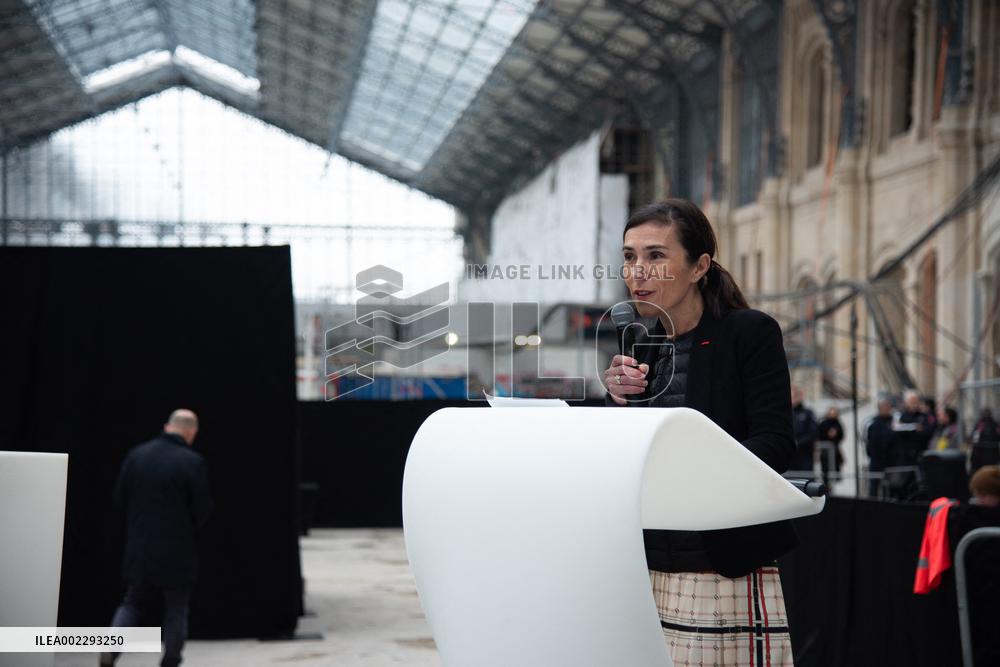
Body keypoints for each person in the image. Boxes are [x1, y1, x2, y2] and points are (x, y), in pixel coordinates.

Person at [604, 199, 796, 666]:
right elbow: (631, 458)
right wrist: (615, 403)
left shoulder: (746, 333)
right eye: (629, 257)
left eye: (656, 256)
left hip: (721, 565)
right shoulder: (640, 345)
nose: (638, 272)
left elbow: (774, 443)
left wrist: (696, 484)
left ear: (699, 266)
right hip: (648, 564)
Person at [100, 409, 213, 667]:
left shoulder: (137, 455)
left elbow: (120, 499)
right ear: (192, 432)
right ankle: (170, 661)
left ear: (167, 427)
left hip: (140, 546)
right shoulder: (192, 462)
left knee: (132, 603)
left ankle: (110, 650)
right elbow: (202, 509)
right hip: (178, 549)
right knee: (176, 609)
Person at [864, 399, 894, 497]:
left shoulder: (893, 422)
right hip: (876, 459)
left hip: (890, 460)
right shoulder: (874, 424)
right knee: (874, 487)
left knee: (889, 487)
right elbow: (870, 443)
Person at [791, 385, 819, 475]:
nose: (792, 399)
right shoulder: (785, 414)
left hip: (805, 455)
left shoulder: (808, 413)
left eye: (795, 396)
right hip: (789, 455)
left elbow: (813, 432)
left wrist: (798, 442)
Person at [817, 406, 845, 486]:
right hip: (825, 451)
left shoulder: (838, 424)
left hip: (835, 451)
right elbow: (819, 434)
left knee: (834, 471)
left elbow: (841, 436)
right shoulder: (823, 423)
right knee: (825, 470)